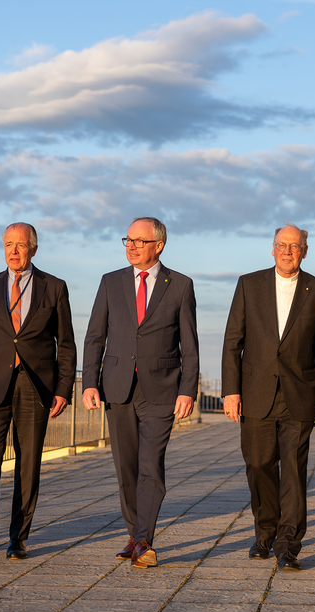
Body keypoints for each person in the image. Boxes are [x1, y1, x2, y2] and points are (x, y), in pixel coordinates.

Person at [82, 216, 199, 568]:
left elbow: (189, 343)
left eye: (139, 241)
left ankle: (145, 539)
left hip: (161, 389)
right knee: (126, 467)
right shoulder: (110, 282)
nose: (131, 246)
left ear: (158, 245)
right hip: (117, 387)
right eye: (127, 240)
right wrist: (89, 382)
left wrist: (188, 389)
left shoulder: (179, 284)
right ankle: (134, 532)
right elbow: (95, 336)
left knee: (151, 464)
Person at [0, 222, 77, 560]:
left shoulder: (54, 287)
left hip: (35, 387)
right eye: (8, 244)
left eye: (20, 245)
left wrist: (63, 389)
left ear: (33, 249)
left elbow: (66, 345)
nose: (13, 250)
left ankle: (18, 539)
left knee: (28, 464)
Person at [221, 225, 315, 571]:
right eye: (282, 245)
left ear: (305, 251)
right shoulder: (248, 284)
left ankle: (288, 543)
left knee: (294, 472)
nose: (288, 251)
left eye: (295, 246)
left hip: (301, 395)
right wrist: (231, 390)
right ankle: (264, 532)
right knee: (258, 465)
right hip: (255, 394)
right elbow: (232, 342)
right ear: (272, 249)